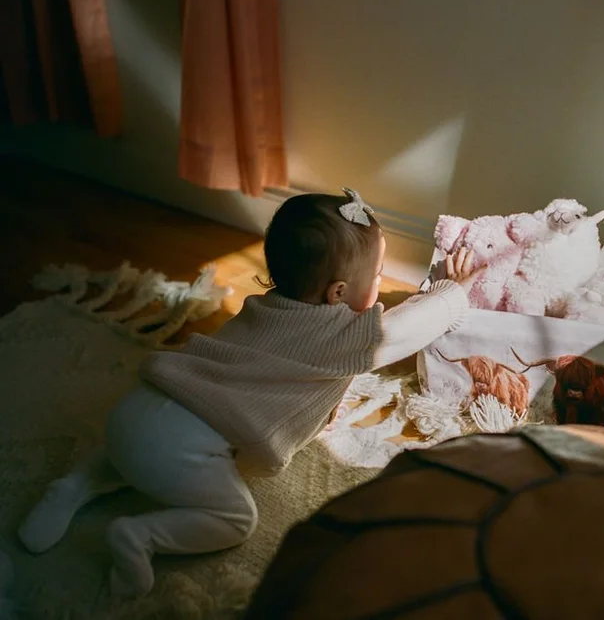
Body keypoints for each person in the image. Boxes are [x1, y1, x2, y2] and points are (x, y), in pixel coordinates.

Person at [18, 188, 479, 598]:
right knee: (236, 520)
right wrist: (452, 292)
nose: (381, 284)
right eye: (377, 275)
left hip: (134, 411)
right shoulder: (344, 337)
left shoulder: (262, 308)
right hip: (180, 449)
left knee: (129, 451)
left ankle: (72, 487)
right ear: (337, 293)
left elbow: (286, 382)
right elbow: (402, 329)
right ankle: (141, 537)